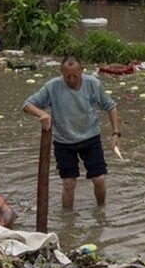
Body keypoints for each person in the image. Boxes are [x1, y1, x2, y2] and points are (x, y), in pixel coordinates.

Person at [22, 56, 122, 210]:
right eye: (67, 76)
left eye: (75, 75)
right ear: (61, 72)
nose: (71, 79)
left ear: (82, 71)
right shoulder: (53, 87)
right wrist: (41, 114)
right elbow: (27, 105)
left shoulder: (93, 84)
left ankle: (101, 210)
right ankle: (68, 218)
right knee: (69, 183)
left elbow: (111, 106)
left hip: (90, 138)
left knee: (99, 179)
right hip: (64, 142)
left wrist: (116, 133)